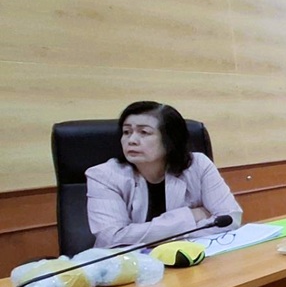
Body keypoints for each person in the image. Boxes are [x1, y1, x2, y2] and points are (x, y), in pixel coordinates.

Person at [86, 101, 242, 248]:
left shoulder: (198, 165)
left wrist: (153, 236)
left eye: (144, 132)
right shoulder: (103, 176)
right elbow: (112, 239)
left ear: (170, 139)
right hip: (128, 263)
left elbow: (230, 219)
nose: (131, 140)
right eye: (126, 132)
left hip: (190, 256)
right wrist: (189, 216)